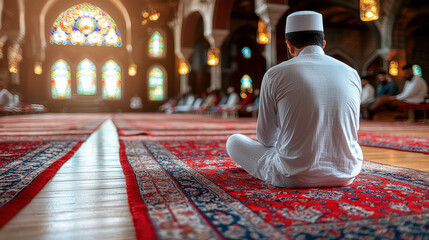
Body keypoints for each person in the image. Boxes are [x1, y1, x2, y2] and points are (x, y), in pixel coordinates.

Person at [226, 11, 363, 188]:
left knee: (234, 141)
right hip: (346, 173)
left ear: (289, 46)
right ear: (323, 44)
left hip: (293, 175)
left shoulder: (275, 74)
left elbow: (266, 139)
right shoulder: (351, 73)